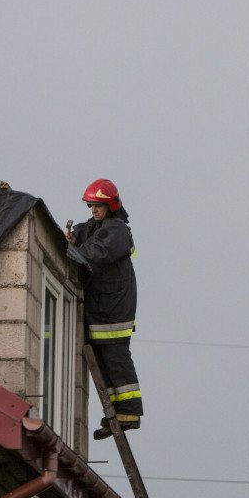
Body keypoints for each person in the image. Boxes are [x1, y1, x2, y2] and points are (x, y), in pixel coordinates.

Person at [66, 178, 142, 438]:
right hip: (101, 308)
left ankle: (129, 412)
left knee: (115, 358)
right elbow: (84, 232)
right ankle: (115, 415)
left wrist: (73, 248)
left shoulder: (118, 231)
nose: (93, 210)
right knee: (101, 361)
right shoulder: (96, 226)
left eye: (98, 205)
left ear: (110, 205)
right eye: (91, 206)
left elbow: (95, 252)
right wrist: (71, 237)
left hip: (114, 309)